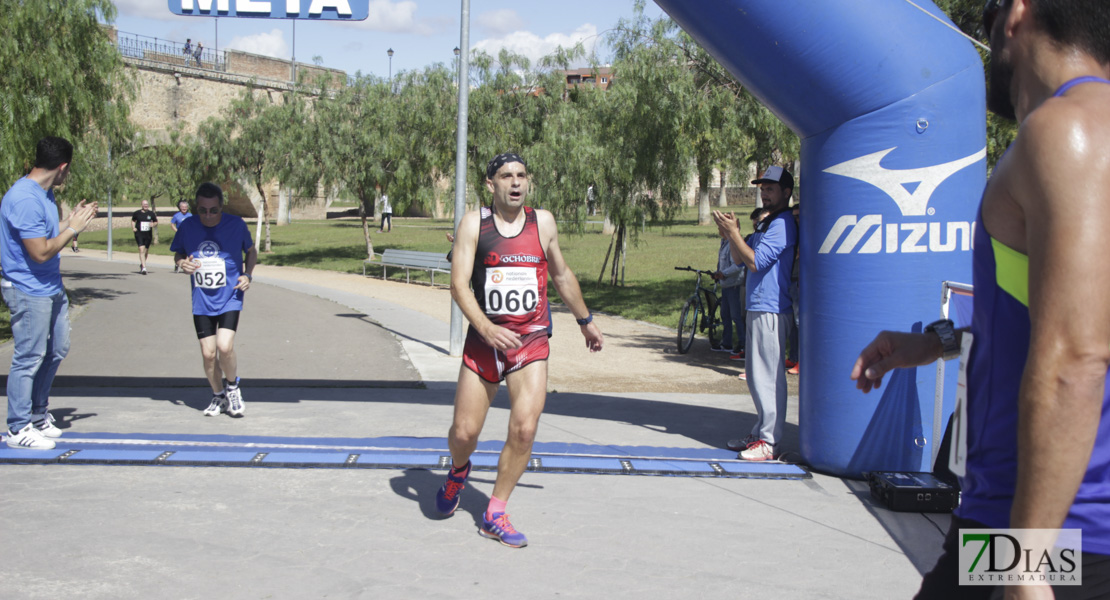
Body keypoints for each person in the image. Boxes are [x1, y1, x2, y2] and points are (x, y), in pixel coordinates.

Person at [852, 1, 1110, 598]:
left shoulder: (1068, 129)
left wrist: (1026, 563)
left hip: (1052, 535)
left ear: (1017, 13)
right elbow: (1057, 310)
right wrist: (935, 343)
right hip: (1043, 530)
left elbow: (1076, 357)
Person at [435, 152, 604, 548]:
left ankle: (495, 511)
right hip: (485, 340)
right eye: (506, 176)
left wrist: (585, 320)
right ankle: (459, 471)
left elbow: (560, 274)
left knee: (525, 427)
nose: (515, 182)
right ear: (490, 184)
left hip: (530, 340)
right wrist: (486, 328)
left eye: (522, 175)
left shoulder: (542, 222)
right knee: (464, 432)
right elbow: (459, 284)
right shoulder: (473, 224)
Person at [0, 136, 97, 449]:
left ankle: (38, 414)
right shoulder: (24, 199)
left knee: (56, 349)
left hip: (50, 286)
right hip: (27, 288)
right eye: (69, 170)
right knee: (29, 356)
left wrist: (70, 221)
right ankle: (18, 427)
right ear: (63, 167)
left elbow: (48, 235)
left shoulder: (45, 194)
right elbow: (40, 252)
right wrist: (74, 230)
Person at [714, 166, 797, 461]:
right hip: (757, 305)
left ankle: (769, 441)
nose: (764, 193)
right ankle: (761, 430)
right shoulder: (766, 223)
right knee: (754, 374)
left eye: (770, 189)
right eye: (762, 188)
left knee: (768, 376)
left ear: (786, 193)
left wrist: (735, 233)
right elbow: (738, 257)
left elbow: (755, 263)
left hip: (772, 307)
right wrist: (730, 233)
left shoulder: (783, 224)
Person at [171, 183, 257, 418]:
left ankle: (232, 387)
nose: (208, 216)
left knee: (224, 346)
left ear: (221, 207)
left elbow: (251, 251)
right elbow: (178, 253)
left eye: (214, 210)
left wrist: (247, 275)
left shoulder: (236, 225)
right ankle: (218, 395)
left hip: (230, 296)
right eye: (202, 210)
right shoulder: (188, 226)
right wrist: (181, 263)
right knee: (208, 354)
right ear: (196, 208)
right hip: (202, 300)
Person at [712, 217, 745, 355]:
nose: (718, 228)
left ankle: (743, 345)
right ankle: (727, 343)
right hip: (725, 285)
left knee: (736, 316)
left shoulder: (733, 243)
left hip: (734, 285)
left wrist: (723, 273)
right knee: (725, 314)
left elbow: (737, 266)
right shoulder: (724, 242)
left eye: (721, 226)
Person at [131, 199, 157, 274]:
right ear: (141, 205)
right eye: (144, 204)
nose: (145, 206)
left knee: (145, 251)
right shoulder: (137, 213)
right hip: (139, 233)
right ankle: (144, 268)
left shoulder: (151, 213)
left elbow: (156, 221)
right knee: (141, 249)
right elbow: (133, 221)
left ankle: (142, 264)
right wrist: (133, 228)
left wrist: (153, 224)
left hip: (148, 234)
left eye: (147, 205)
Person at [170, 200, 193, 273]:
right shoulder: (177, 215)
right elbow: (172, 224)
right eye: (183, 207)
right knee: (179, 250)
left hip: (188, 235)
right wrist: (176, 231)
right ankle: (178, 263)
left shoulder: (190, 215)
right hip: (180, 236)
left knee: (188, 249)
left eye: (185, 207)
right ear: (180, 208)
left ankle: (186, 264)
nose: (184, 208)